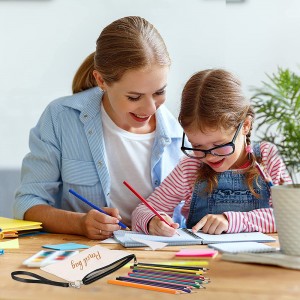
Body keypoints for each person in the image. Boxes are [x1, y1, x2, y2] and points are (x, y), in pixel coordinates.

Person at [14, 16, 184, 240]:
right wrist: (80, 223)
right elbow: (27, 204)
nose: (150, 107)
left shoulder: (180, 133)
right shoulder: (60, 118)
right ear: (101, 80)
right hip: (84, 257)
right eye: (134, 97)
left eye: (159, 92)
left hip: (158, 258)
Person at [132, 69, 292, 236]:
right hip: (201, 257)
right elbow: (142, 211)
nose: (209, 156)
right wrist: (152, 221)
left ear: (245, 125)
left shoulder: (267, 157)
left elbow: (289, 215)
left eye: (219, 145)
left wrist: (230, 220)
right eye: (197, 146)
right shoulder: (190, 167)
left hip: (259, 259)